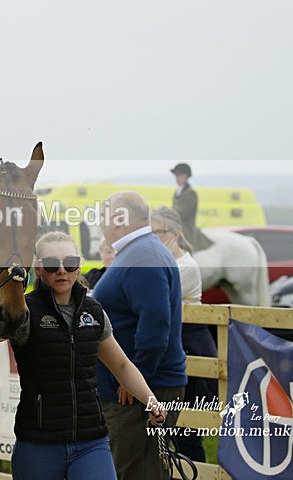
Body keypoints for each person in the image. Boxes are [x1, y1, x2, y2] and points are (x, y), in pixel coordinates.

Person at [0, 232, 167, 480]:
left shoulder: (94, 312)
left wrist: (151, 401)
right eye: (51, 265)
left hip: (91, 441)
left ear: (78, 267)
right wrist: (0, 291)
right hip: (38, 443)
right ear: (38, 268)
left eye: (69, 263)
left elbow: (121, 365)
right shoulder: (25, 311)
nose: (61, 271)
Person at [93, 191, 188, 479]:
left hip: (141, 393)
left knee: (132, 472)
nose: (100, 224)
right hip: (142, 389)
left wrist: (136, 381)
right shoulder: (143, 251)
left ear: (120, 220)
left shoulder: (142, 256)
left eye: (104, 217)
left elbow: (156, 326)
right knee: (143, 470)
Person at [151, 206, 218, 463]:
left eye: (159, 232)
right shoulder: (162, 263)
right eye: (151, 233)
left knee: (184, 429)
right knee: (167, 426)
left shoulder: (186, 266)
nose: (154, 238)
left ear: (175, 233)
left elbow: (154, 296)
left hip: (191, 347)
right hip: (175, 346)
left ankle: (197, 472)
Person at [170, 162, 213, 252]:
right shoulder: (177, 192)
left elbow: (182, 214)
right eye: (176, 176)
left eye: (180, 175)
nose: (177, 178)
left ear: (186, 177)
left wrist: (169, 216)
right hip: (176, 225)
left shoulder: (191, 193)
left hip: (186, 228)